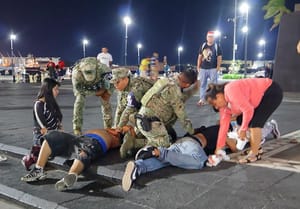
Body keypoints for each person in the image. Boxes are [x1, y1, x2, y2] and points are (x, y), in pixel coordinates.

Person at [122, 119, 281, 192]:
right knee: (199, 162)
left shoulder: (214, 127)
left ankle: (139, 166)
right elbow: (233, 148)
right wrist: (242, 142)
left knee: (170, 160)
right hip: (193, 147)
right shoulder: (224, 131)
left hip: (180, 144)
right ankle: (158, 151)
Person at [20, 127, 129, 191]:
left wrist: (122, 134)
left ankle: (71, 175)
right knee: (53, 135)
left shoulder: (115, 138)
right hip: (78, 139)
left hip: (94, 143)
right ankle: (39, 169)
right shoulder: (107, 130)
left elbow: (124, 141)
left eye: (120, 129)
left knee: (84, 152)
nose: (118, 127)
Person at [205, 78, 283, 163]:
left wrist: (243, 129)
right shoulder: (224, 107)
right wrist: (218, 149)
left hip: (271, 91)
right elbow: (223, 127)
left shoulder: (230, 90)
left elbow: (248, 110)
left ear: (218, 96)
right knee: (240, 120)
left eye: (214, 103)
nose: (216, 107)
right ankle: (256, 147)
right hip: (258, 99)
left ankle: (254, 154)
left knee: (254, 124)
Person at [136, 67, 198, 148]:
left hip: (141, 117)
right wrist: (192, 131)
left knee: (171, 136)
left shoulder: (166, 80)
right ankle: (134, 143)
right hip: (150, 124)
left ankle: (140, 136)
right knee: (165, 145)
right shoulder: (175, 92)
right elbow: (182, 116)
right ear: (187, 84)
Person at [110, 68, 155, 158]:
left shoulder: (136, 88)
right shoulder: (123, 89)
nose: (115, 85)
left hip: (156, 113)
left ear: (125, 79)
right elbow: (120, 108)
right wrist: (116, 127)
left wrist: (119, 127)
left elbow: (128, 110)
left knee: (163, 141)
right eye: (114, 83)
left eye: (117, 82)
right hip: (143, 111)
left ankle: (139, 142)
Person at [22, 78, 63, 170]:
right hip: (41, 136)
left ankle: (41, 162)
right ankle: (28, 160)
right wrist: (47, 133)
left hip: (52, 134)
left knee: (47, 155)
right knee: (38, 157)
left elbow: (56, 118)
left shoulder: (51, 103)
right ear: (48, 89)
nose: (58, 92)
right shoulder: (38, 104)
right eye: (55, 89)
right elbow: (41, 123)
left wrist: (59, 127)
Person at [72, 57, 113, 135]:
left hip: (100, 85)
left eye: (91, 72)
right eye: (87, 72)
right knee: (79, 102)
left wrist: (107, 92)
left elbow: (111, 83)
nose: (89, 75)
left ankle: (108, 127)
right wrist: (95, 93)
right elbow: (78, 90)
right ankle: (77, 128)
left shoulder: (104, 69)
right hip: (84, 87)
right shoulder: (76, 73)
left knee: (106, 103)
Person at [197, 31, 222, 106]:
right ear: (206, 37)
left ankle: (213, 99)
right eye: (208, 37)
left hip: (213, 69)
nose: (210, 38)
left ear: (214, 38)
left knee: (213, 85)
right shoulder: (203, 45)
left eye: (211, 37)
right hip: (203, 68)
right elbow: (200, 57)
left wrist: (218, 66)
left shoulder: (217, 46)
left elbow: (219, 57)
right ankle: (202, 99)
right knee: (202, 85)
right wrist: (198, 66)